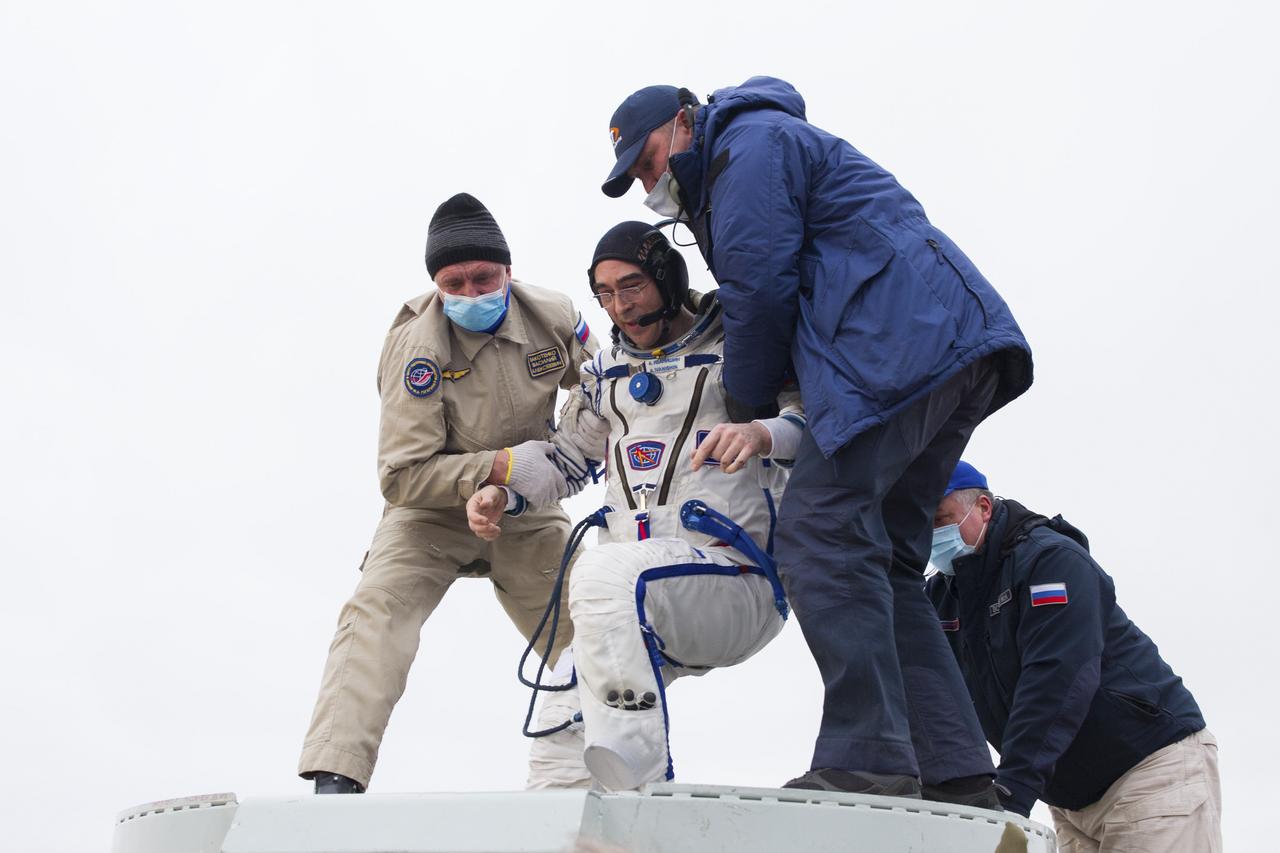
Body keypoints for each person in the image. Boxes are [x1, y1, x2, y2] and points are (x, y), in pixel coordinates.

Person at [598, 78, 1033, 803]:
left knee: (820, 529)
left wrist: (747, 404)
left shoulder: (746, 150)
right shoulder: (745, 155)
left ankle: (867, 754)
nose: (650, 185)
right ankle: (955, 771)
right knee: (887, 556)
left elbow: (759, 289)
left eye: (648, 162)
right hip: (944, 347)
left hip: (898, 349)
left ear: (683, 123)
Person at [467, 221, 801, 791]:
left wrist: (762, 434)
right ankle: (583, 826)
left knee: (600, 575)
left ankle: (638, 766)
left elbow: (816, 423)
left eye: (632, 287)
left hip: (734, 579)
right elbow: (567, 458)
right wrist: (504, 490)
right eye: (605, 294)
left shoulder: (740, 348)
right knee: (558, 730)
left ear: (667, 279)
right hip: (635, 605)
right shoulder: (605, 377)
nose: (620, 307)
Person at [297, 193, 599, 793]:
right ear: (436, 285)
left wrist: (563, 461)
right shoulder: (416, 348)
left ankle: (620, 773)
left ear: (508, 270)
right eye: (453, 283)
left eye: (484, 278)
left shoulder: (555, 315)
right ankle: (335, 780)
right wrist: (498, 468)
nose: (470, 293)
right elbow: (401, 474)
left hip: (526, 510)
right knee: (376, 613)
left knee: (597, 626)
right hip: (428, 513)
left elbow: (606, 385)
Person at [927, 461, 1221, 850]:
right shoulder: (943, 597)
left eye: (941, 520)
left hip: (1149, 772)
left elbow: (1057, 677)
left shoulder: (1049, 561)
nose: (932, 535)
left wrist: (1012, 793)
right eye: (923, 525)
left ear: (983, 507)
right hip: (1069, 801)